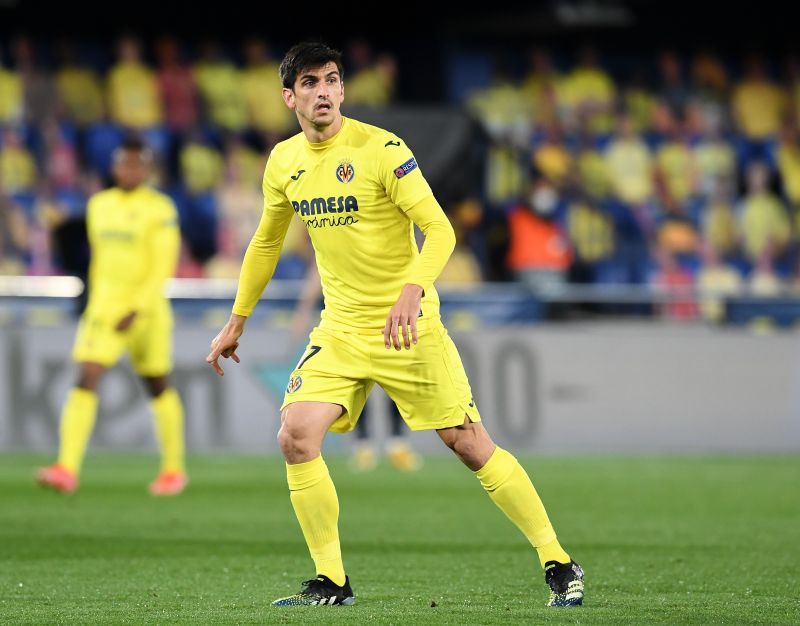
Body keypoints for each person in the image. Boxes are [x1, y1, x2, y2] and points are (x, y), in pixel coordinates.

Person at [206, 42, 584, 608]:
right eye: (310, 83)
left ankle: (558, 561)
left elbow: (441, 230)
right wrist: (236, 320)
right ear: (290, 97)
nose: (325, 91)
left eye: (332, 79)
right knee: (295, 435)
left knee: (468, 443)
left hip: (408, 327)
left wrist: (412, 291)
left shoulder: (382, 149)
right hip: (340, 329)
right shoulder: (283, 162)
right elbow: (266, 242)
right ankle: (331, 580)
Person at [36, 137, 187, 496]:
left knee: (157, 384)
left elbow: (162, 265)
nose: (129, 170)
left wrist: (136, 307)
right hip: (104, 311)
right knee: (86, 375)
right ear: (115, 167)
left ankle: (173, 470)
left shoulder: (161, 209)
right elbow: (96, 260)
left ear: (147, 170)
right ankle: (66, 468)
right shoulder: (99, 205)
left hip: (146, 312)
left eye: (137, 165)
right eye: (124, 164)